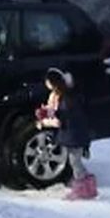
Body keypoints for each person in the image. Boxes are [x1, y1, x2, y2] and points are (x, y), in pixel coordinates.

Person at [37, 67, 96, 200]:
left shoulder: (67, 99)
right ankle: (86, 184)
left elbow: (60, 119)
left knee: (75, 161)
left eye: (48, 82)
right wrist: (46, 113)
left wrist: (45, 120)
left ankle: (82, 187)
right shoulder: (62, 96)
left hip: (75, 135)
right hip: (74, 134)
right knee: (75, 161)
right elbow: (57, 113)